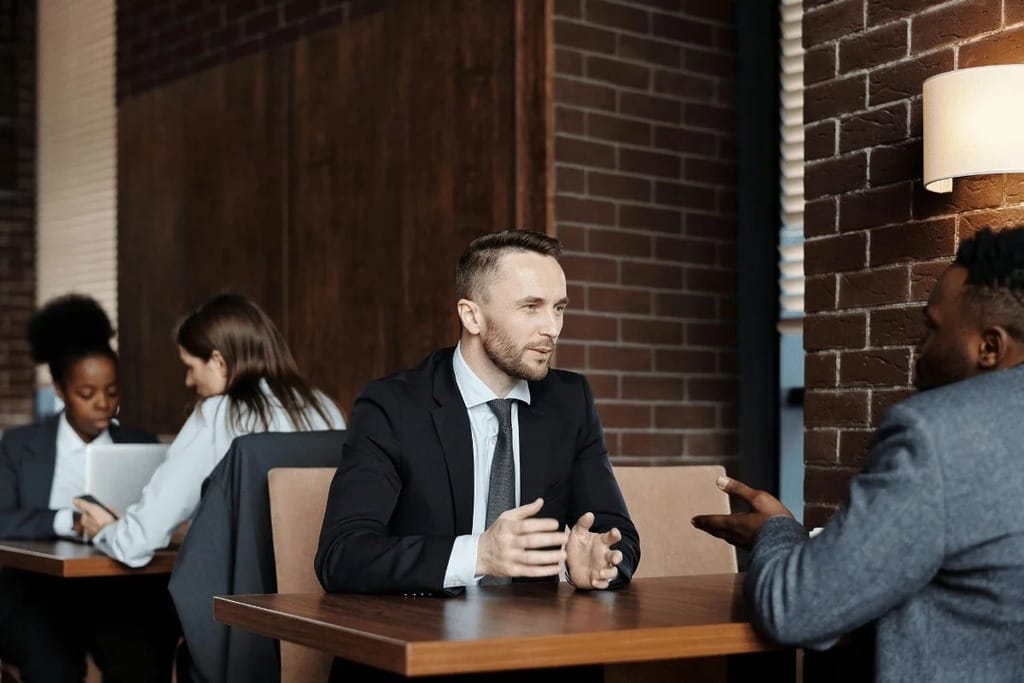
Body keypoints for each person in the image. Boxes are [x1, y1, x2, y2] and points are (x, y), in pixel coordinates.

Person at [693, 226, 1024, 682]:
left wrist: (776, 532)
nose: (919, 346)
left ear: (990, 347)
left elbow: (796, 608)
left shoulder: (935, 433)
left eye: (932, 327)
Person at [315, 230, 638, 680]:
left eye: (559, 307)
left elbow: (617, 533)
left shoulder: (571, 401)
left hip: (536, 655)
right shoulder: (393, 406)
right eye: (531, 307)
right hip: (421, 656)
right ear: (471, 315)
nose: (553, 327)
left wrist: (595, 566)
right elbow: (342, 555)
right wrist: (479, 556)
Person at [76, 292, 346, 567]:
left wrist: (106, 530)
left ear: (218, 362)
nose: (189, 380)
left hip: (237, 600)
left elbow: (137, 542)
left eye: (191, 367)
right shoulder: (325, 407)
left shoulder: (218, 414)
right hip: (317, 590)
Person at [0, 294, 175, 683]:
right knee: (52, 669)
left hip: (119, 592)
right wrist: (66, 520)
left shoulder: (141, 443)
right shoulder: (18, 445)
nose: (102, 404)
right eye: (87, 393)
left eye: (112, 392)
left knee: (141, 663)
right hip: (38, 594)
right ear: (61, 391)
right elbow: (3, 518)